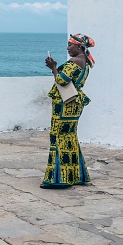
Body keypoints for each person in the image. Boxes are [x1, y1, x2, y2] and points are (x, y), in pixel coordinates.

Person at [41, 34, 96, 189]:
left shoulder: (74, 62)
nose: (67, 48)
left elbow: (61, 81)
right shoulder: (85, 62)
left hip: (65, 104)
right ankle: (76, 176)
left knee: (58, 136)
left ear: (78, 46)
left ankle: (59, 179)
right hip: (75, 103)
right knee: (70, 137)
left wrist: (53, 68)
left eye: (70, 45)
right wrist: (56, 67)